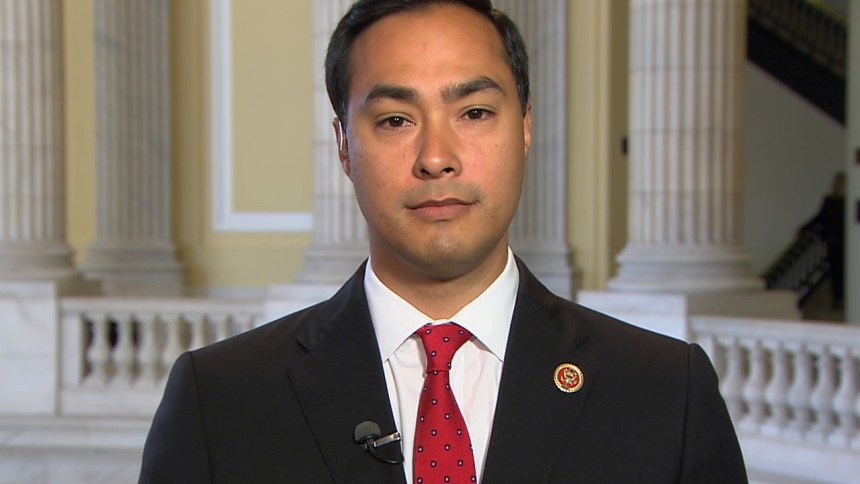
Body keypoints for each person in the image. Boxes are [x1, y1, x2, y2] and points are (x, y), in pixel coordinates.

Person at [139, 1, 747, 482]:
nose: (436, 157)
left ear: (526, 126)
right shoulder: (219, 400)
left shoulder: (666, 393)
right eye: (395, 120)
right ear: (344, 145)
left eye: (475, 113)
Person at [800, 172, 846, 309]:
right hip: (831, 240)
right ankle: (836, 299)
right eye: (836, 182)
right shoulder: (828, 200)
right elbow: (820, 217)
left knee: (840, 270)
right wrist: (804, 228)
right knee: (834, 269)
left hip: (842, 241)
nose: (836, 185)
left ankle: (839, 298)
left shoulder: (846, 202)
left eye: (840, 182)